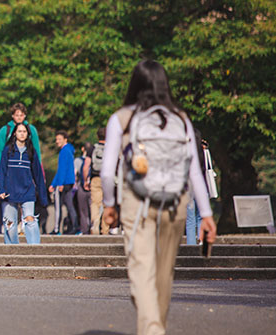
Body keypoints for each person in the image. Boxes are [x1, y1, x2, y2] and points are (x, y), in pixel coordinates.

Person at [101, 59, 216, 335]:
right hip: (176, 204)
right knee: (164, 275)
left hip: (136, 203)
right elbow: (194, 172)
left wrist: (109, 205)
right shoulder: (181, 119)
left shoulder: (122, 118)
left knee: (141, 270)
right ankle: (154, 326)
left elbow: (107, 172)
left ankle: (152, 330)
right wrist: (207, 213)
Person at [0, 123, 49, 244]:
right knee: (10, 223)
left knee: (30, 220)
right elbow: (2, 171)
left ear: (28, 134)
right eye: (19, 131)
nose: (22, 134)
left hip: (27, 191)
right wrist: (1, 189)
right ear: (15, 133)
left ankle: (34, 248)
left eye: (24, 132)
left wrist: (43, 197)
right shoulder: (8, 151)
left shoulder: (31, 152)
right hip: (10, 191)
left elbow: (38, 176)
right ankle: (12, 248)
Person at [0, 102, 42, 171]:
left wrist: (37, 168)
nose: (19, 117)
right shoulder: (5, 130)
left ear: (25, 115)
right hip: (9, 166)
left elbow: (36, 149)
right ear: (12, 115)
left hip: (27, 166)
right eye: (17, 115)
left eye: (21, 115)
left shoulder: (31, 130)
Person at [49, 131, 78, 234]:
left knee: (58, 206)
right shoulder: (70, 150)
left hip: (64, 182)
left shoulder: (64, 151)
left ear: (65, 139)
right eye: (56, 139)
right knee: (70, 205)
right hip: (69, 181)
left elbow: (62, 169)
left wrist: (58, 183)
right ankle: (75, 227)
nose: (57, 141)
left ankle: (56, 229)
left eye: (59, 139)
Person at [84, 128, 107, 234]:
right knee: (107, 203)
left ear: (98, 136)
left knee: (95, 203)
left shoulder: (92, 148)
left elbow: (86, 165)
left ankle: (95, 224)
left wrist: (85, 180)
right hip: (108, 179)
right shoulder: (111, 148)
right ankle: (105, 228)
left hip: (95, 178)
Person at [74, 143, 92, 235]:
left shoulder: (78, 160)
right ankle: (94, 228)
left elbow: (75, 174)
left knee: (82, 210)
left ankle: (84, 229)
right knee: (93, 209)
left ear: (82, 149)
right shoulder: (95, 158)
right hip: (94, 186)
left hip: (82, 186)